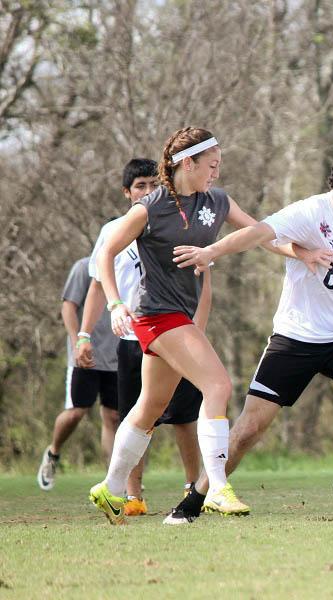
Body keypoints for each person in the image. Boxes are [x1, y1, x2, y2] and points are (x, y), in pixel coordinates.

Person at [168, 141, 333, 524]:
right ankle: (194, 499)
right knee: (248, 430)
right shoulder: (311, 212)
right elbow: (259, 233)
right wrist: (211, 253)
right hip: (296, 338)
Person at [88, 127, 280, 525]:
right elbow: (106, 251)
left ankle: (110, 487)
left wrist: (300, 250)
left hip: (178, 316)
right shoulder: (149, 207)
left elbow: (260, 231)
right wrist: (114, 303)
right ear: (186, 163)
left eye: (219, 166)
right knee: (218, 385)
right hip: (155, 314)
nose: (216, 172)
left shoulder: (217, 201)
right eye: (211, 165)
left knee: (149, 408)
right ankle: (218, 488)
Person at [76, 158, 206, 516]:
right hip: (132, 338)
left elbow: (202, 277)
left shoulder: (173, 223)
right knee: (137, 414)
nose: (147, 192)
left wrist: (197, 324)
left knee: (184, 416)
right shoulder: (112, 232)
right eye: (140, 187)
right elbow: (97, 287)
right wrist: (84, 334)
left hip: (174, 331)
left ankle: (194, 488)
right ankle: (132, 494)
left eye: (153, 185)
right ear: (126, 193)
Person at [37, 257, 120, 490]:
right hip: (86, 355)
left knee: (113, 417)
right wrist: (76, 342)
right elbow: (68, 307)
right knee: (76, 412)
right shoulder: (85, 267)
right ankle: (53, 453)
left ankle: (114, 480)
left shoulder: (131, 265)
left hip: (116, 356)